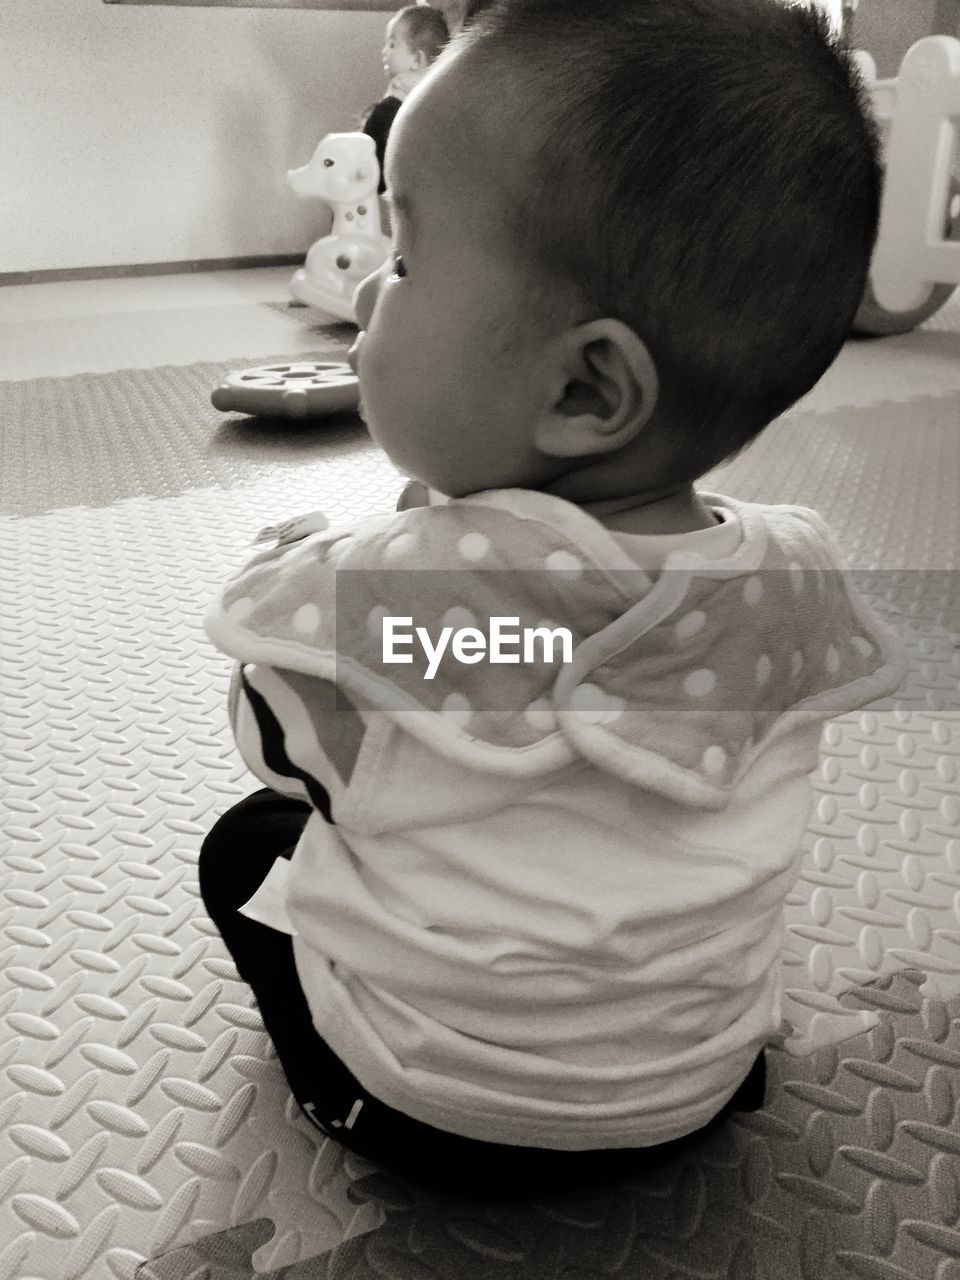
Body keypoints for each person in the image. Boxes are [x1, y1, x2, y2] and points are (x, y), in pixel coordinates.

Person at [201, 0, 906, 1199]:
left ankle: (343, 1079)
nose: (371, 297)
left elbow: (280, 749)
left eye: (410, 260)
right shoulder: (792, 578)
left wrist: (328, 563)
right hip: (701, 1079)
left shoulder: (390, 598)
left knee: (244, 848)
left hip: (438, 1104)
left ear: (586, 388)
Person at [361, 5, 449, 194]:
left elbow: (366, 173)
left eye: (392, 44)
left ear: (417, 59)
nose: (384, 50)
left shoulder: (390, 109)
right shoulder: (443, 99)